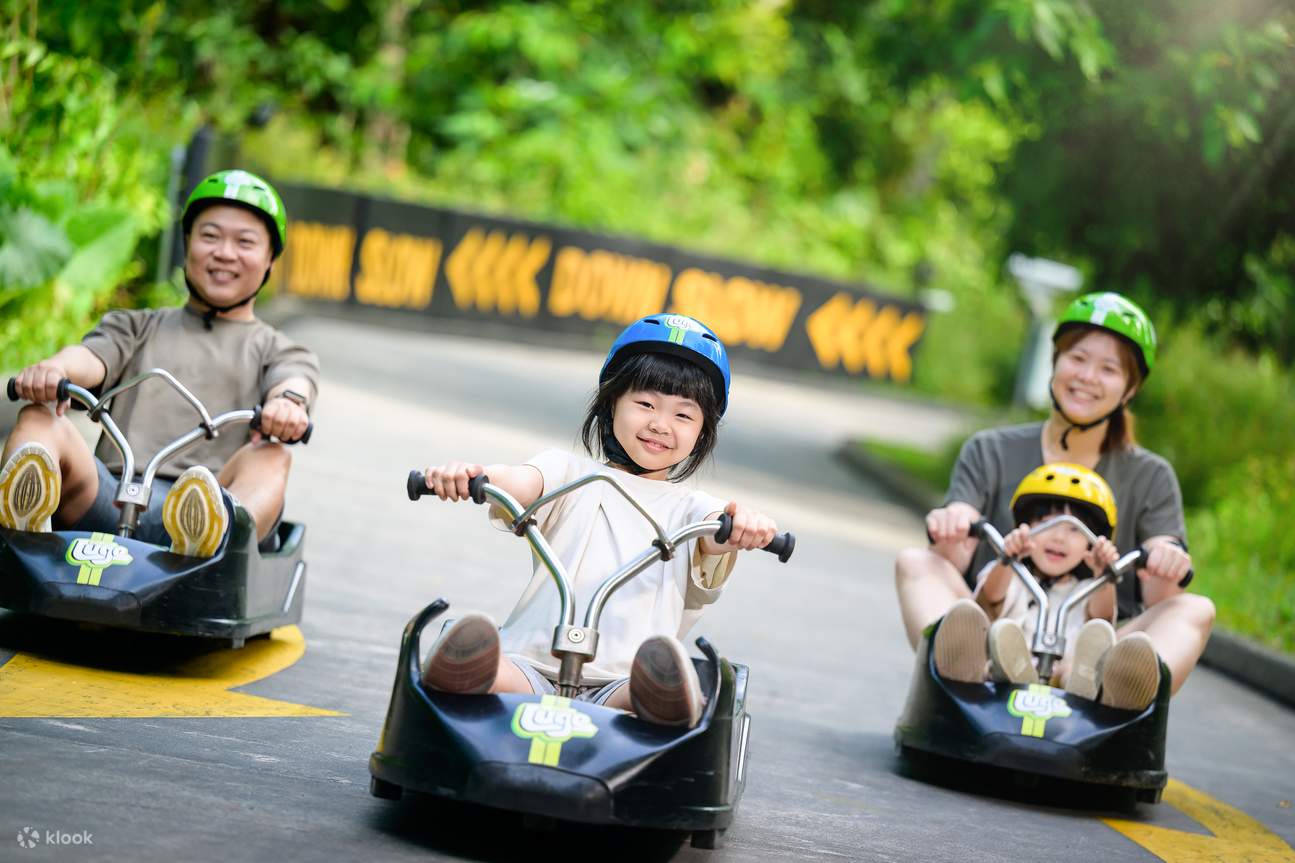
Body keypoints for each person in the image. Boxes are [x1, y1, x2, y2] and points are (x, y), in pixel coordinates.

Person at [415, 313, 778, 727]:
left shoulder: (693, 510)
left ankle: (662, 693)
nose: (660, 424)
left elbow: (718, 529)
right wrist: (475, 476)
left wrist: (742, 524)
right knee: (498, 665)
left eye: (683, 415)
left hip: (621, 680)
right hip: (531, 665)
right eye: (645, 404)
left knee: (653, 686)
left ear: (702, 432)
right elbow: (520, 482)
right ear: (611, 404)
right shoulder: (567, 472)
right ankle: (471, 667)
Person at [895, 292, 1213, 697]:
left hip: (1091, 652)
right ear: (1056, 361)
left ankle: (1111, 689)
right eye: (1078, 359)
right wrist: (953, 521)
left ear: (1130, 389)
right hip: (995, 634)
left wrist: (1167, 558)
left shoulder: (1151, 476)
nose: (1088, 377)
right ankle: (967, 669)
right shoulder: (990, 450)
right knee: (916, 562)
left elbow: (1159, 591)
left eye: (1108, 369)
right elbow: (953, 555)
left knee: (1194, 609)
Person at [0, 169, 318, 556]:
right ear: (188, 244)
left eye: (245, 242)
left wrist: (287, 405)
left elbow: (294, 381)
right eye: (210, 236)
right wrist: (55, 370)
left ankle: (215, 543)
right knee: (38, 420)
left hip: (205, 507)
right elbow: (91, 356)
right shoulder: (136, 326)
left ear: (270, 259)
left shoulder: (278, 349)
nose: (224, 252)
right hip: (108, 494)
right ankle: (21, 533)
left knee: (271, 457)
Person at [934, 463, 1163, 710]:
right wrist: (1007, 559)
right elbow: (989, 600)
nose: (1058, 537)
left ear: (1092, 542)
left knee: (1092, 644)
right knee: (980, 621)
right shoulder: (1011, 574)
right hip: (1000, 687)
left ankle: (1085, 681)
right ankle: (1009, 672)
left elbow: (1102, 618)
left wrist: (1104, 576)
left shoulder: (1089, 588)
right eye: (1047, 523)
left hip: (1065, 691)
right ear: (1026, 527)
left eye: (1074, 529)